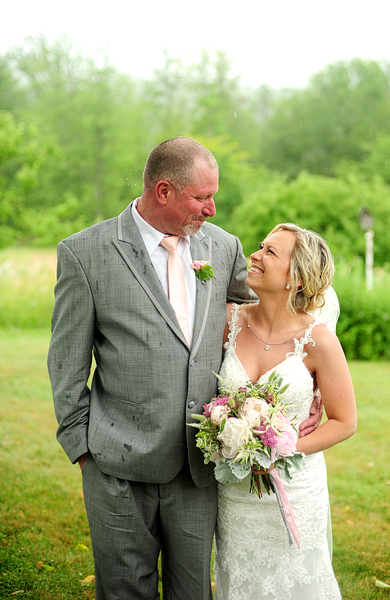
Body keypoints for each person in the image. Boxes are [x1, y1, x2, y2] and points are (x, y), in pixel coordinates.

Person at [48, 136, 255, 599]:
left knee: (193, 592)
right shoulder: (85, 253)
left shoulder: (223, 248)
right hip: (116, 467)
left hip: (197, 467)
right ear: (163, 191)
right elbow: (66, 362)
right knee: (124, 591)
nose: (213, 210)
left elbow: (260, 323)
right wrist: (83, 448)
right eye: (202, 197)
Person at [213, 223, 357, 599]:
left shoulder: (319, 341)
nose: (255, 255)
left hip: (295, 486)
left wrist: (282, 448)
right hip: (236, 493)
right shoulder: (229, 321)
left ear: (296, 276)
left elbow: (344, 421)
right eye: (261, 246)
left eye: (270, 252)